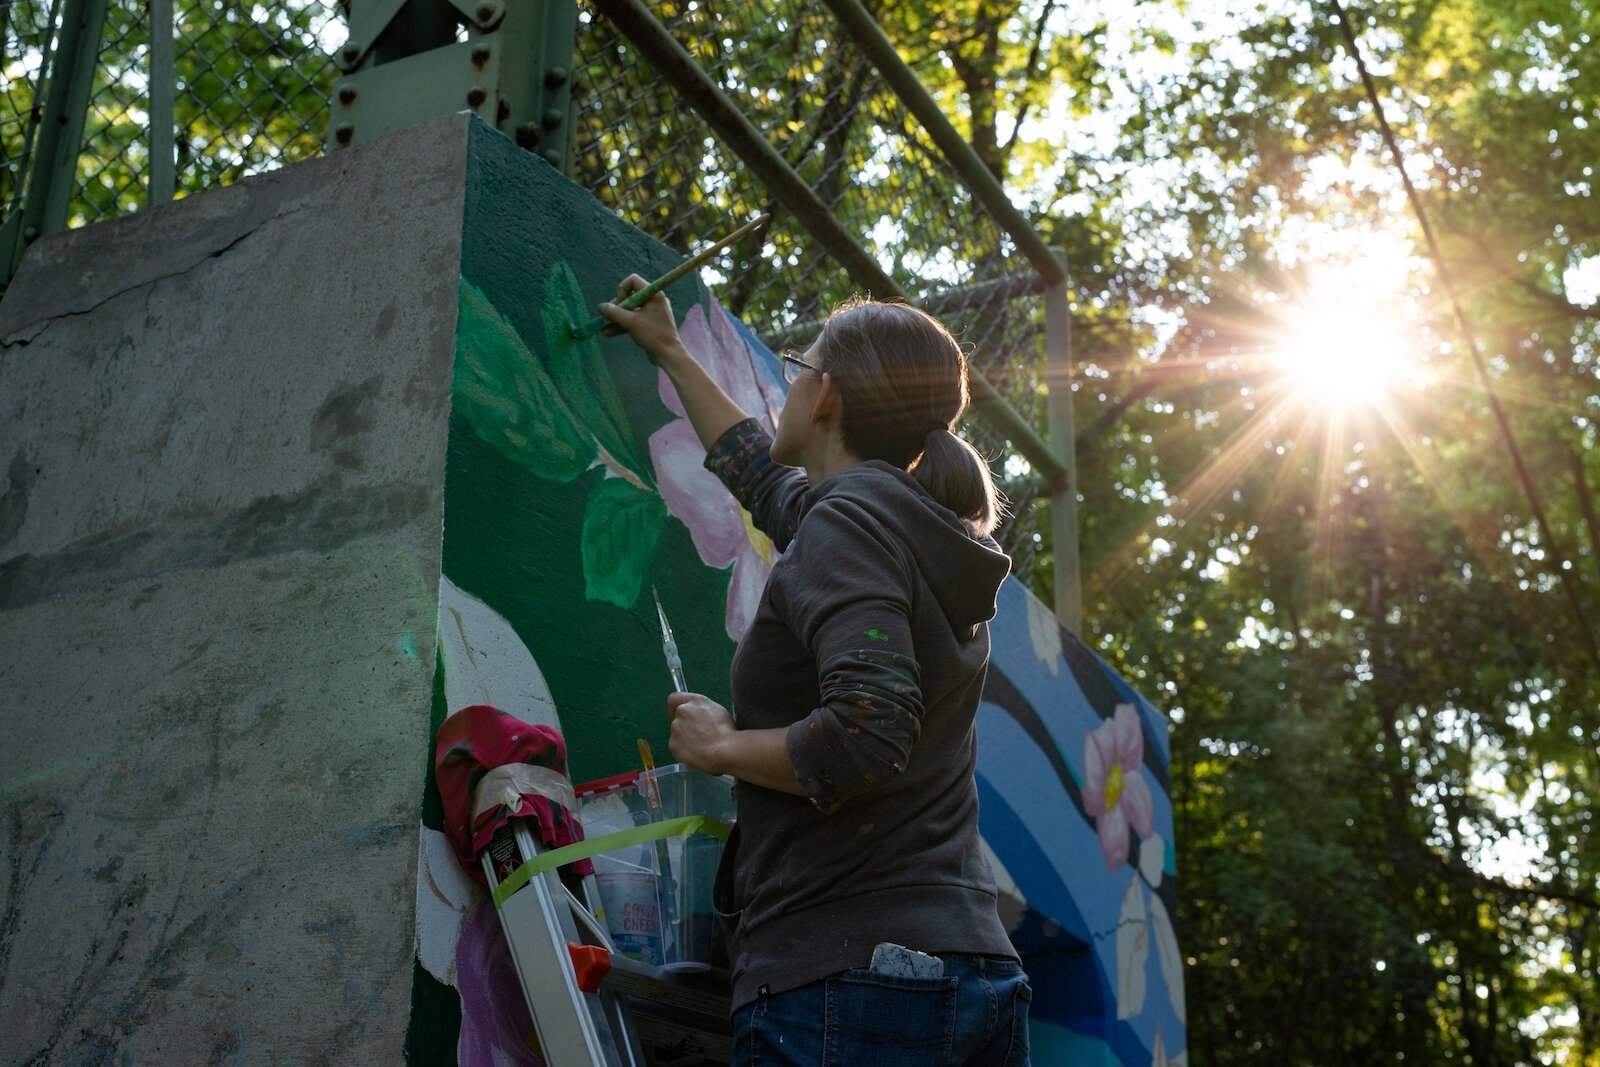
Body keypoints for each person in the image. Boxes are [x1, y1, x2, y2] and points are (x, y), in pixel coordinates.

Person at [599, 275, 1032, 1066]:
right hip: (960, 971)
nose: (791, 381)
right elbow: (764, 483)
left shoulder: (850, 525)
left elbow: (867, 731)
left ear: (825, 394)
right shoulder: (889, 521)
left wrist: (721, 747)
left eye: (800, 366)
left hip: (854, 976)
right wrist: (669, 347)